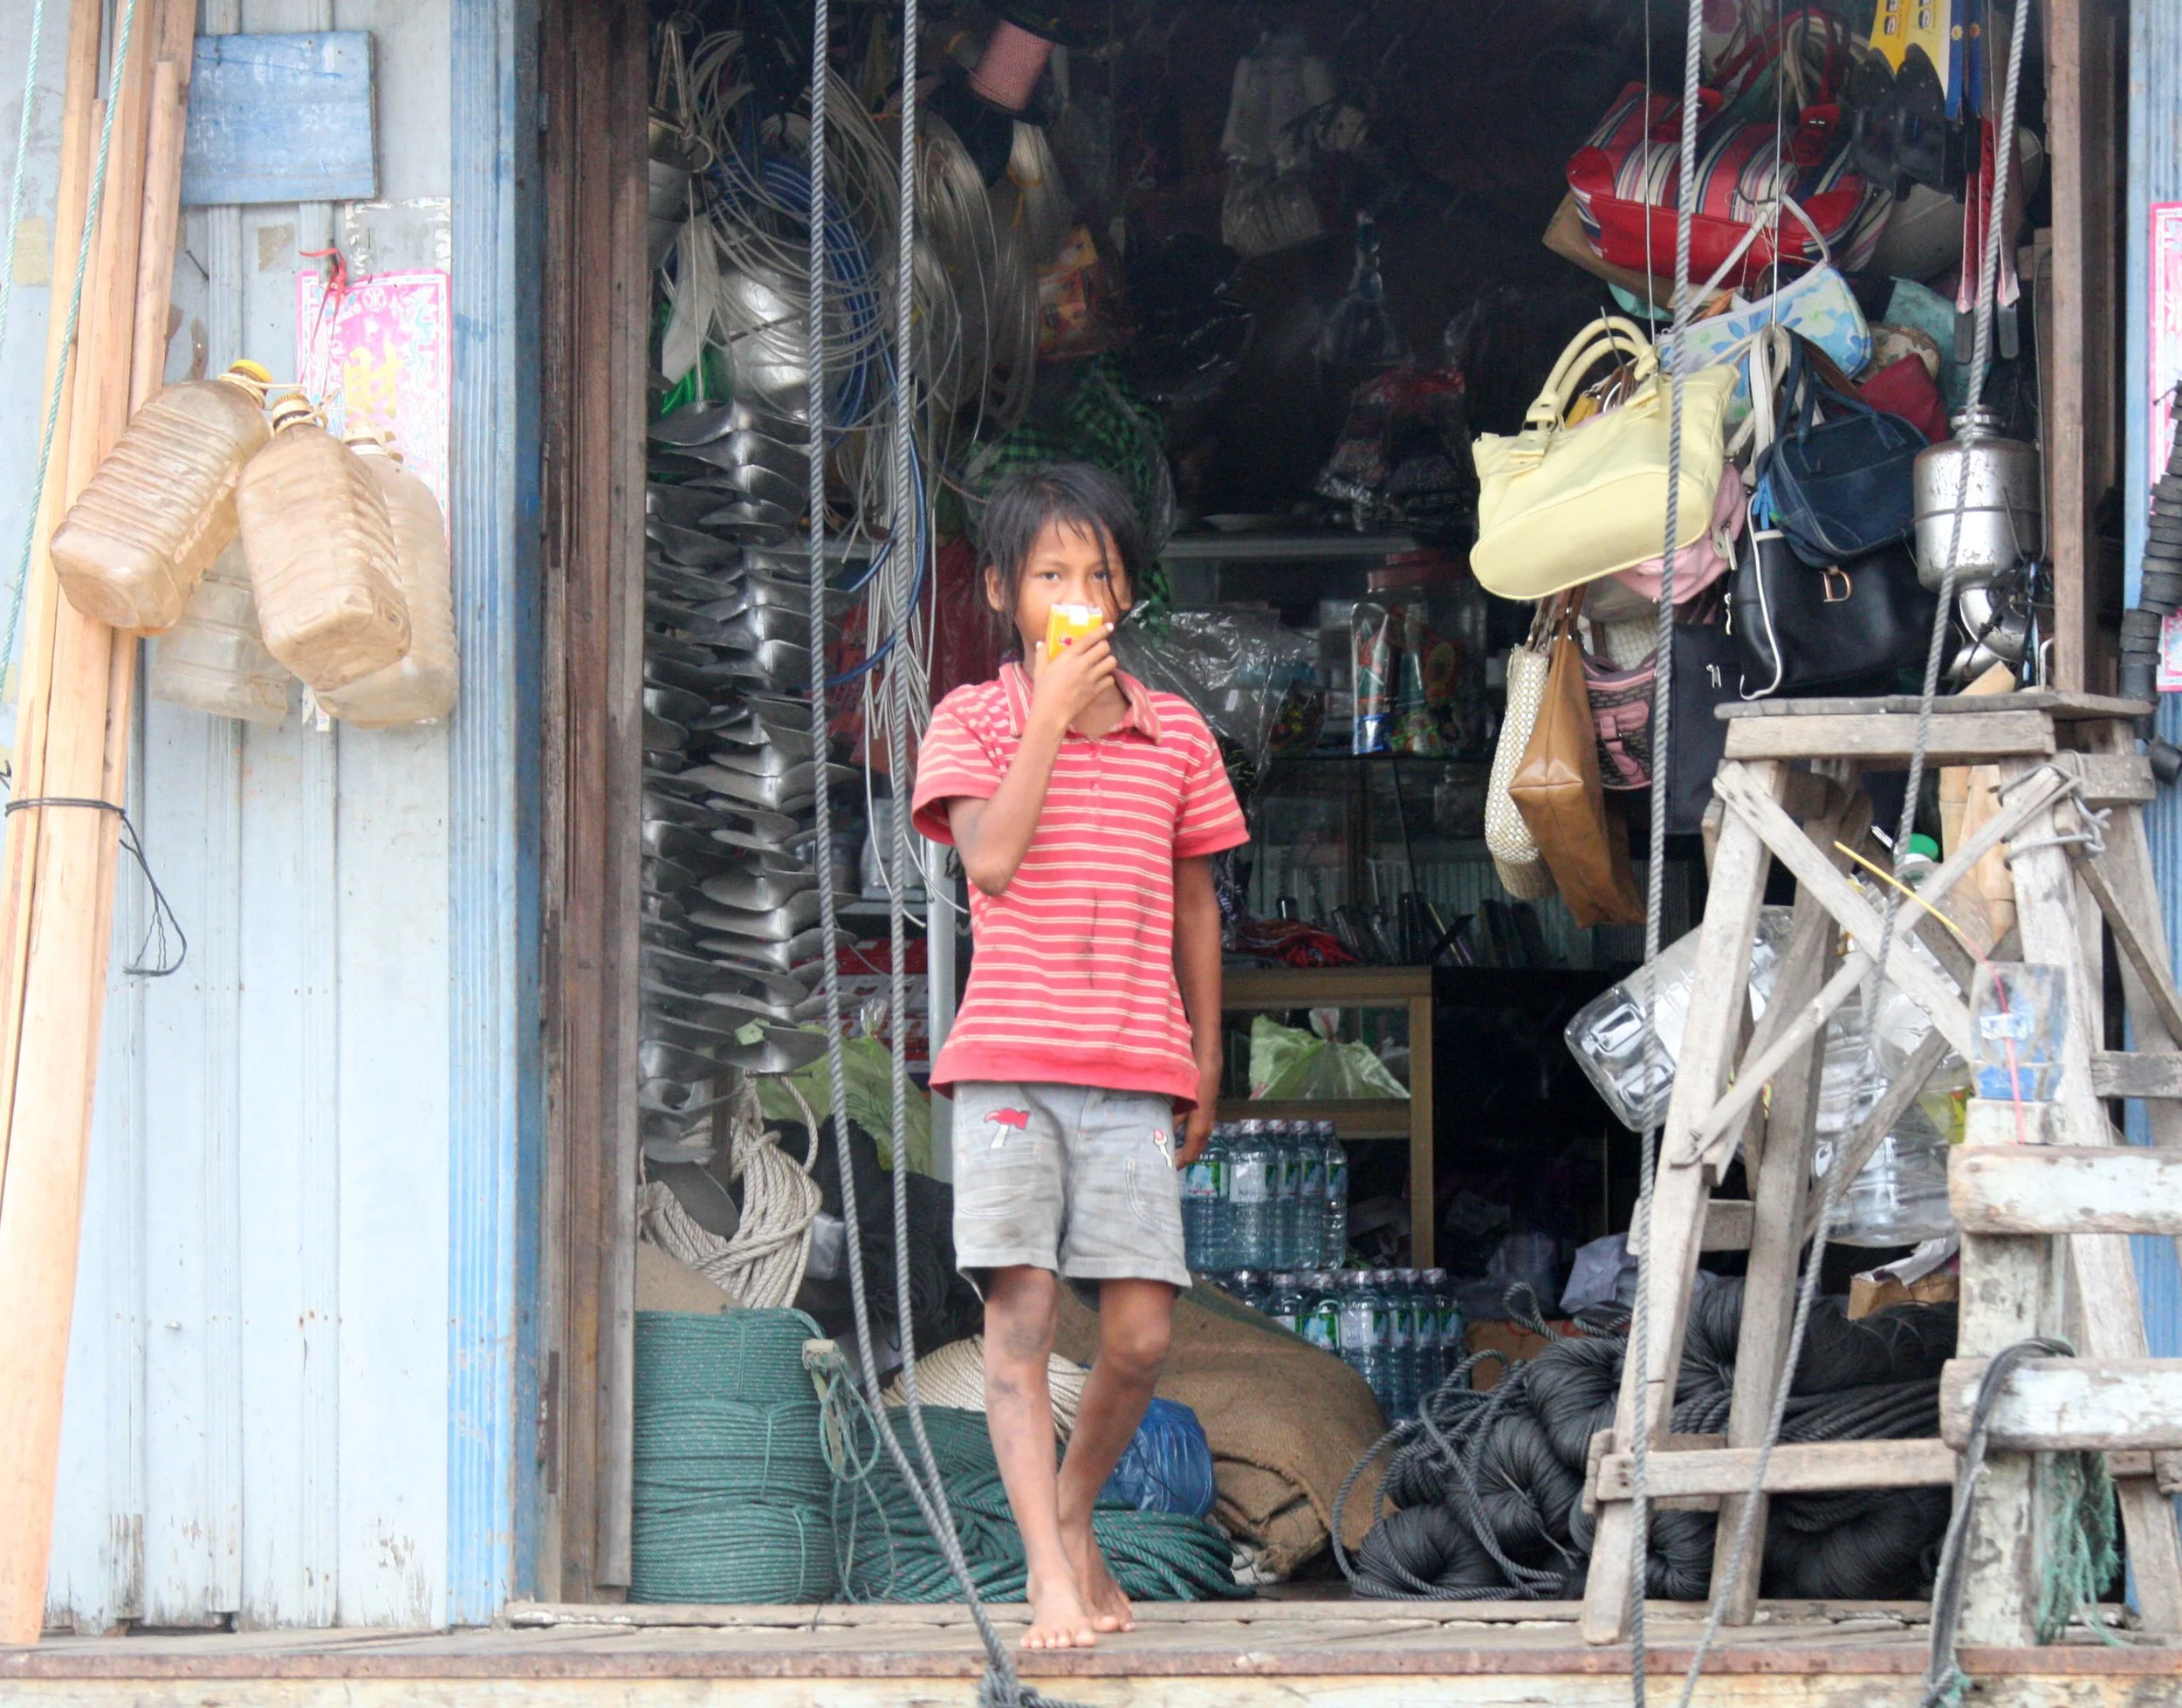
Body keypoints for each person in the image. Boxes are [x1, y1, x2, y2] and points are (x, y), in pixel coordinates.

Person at [911, 463, 1246, 1650]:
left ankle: (1068, 1510)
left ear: (1128, 592)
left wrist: (1208, 1055)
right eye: (1051, 573)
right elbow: (990, 862)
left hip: (1136, 1067)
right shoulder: (973, 719)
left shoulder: (1179, 736)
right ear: (1003, 590)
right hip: (1007, 1064)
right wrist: (1048, 712)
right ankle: (1047, 1575)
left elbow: (1197, 904)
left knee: (1145, 1336)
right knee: (1024, 1314)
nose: (1077, 593)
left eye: (1098, 573)